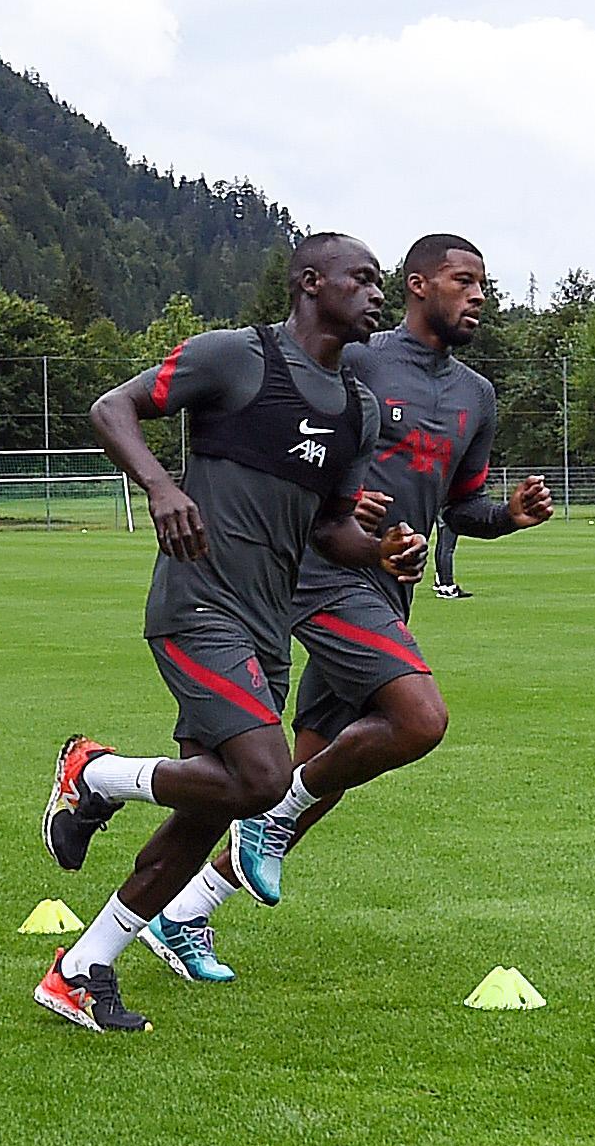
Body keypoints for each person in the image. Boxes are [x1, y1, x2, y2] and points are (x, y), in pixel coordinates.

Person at [34, 233, 423, 1030]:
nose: (377, 294)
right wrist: (161, 486)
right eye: (363, 278)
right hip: (196, 606)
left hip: (265, 625)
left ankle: (81, 967)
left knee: (204, 814)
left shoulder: (358, 409)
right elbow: (112, 407)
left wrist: (380, 548)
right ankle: (94, 773)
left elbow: (328, 531)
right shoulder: (234, 357)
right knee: (264, 778)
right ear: (310, 283)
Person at [145, 234, 552, 983]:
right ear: (417, 284)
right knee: (416, 719)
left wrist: (509, 516)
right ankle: (183, 810)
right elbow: (292, 434)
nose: (478, 297)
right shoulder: (359, 356)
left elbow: (459, 507)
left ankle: (184, 913)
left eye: (482, 285)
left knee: (315, 774)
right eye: (464, 281)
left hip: (386, 588)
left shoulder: (476, 396)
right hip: (317, 572)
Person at [430, 518, 471, 598]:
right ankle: (447, 586)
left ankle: (441, 580)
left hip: (441, 511)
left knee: (442, 544)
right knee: (447, 548)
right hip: (449, 512)